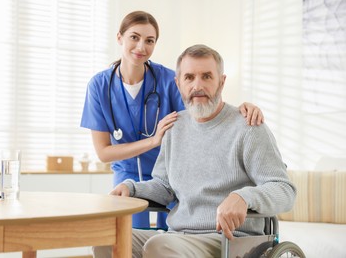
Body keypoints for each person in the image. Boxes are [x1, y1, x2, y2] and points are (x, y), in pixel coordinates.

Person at [93, 44, 297, 258]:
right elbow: (164, 186)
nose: (197, 85)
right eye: (189, 77)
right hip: (178, 235)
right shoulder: (174, 127)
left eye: (207, 76)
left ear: (222, 81)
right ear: (178, 83)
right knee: (107, 237)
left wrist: (244, 197)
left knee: (159, 247)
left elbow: (285, 190)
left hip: (228, 240)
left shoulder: (248, 126)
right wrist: (131, 189)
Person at [80, 11, 264, 230]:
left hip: (172, 173)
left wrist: (240, 109)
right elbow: (103, 153)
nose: (141, 47)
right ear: (119, 38)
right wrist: (152, 141)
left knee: (171, 233)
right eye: (134, 37)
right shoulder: (99, 86)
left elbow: (201, 110)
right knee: (126, 236)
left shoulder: (169, 80)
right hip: (127, 174)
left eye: (149, 41)